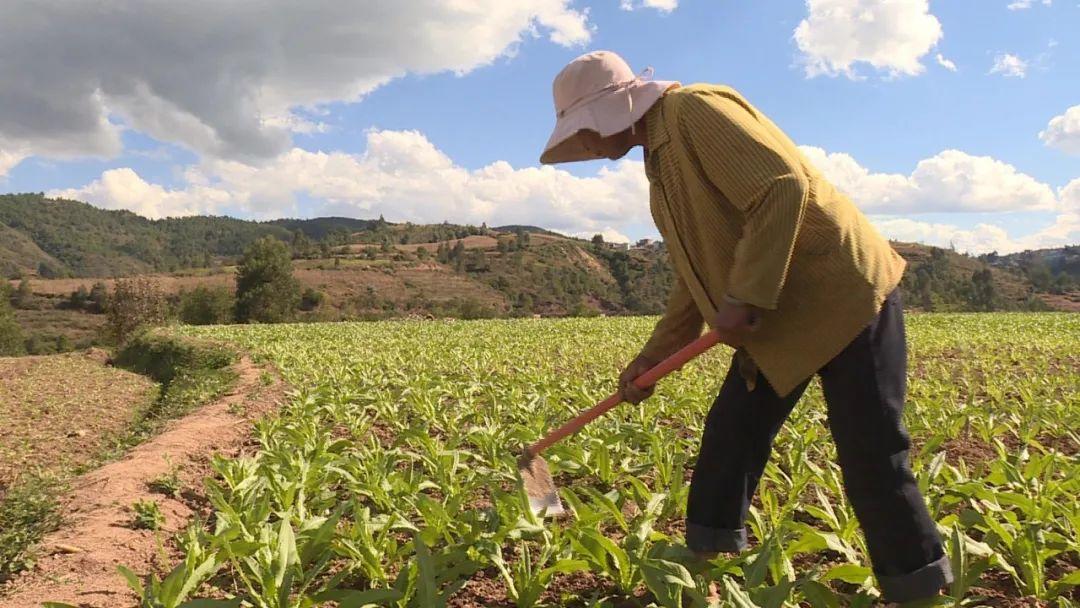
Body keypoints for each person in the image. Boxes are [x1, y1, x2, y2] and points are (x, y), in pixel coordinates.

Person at [539, 50, 952, 604]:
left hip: (843, 297)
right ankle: (701, 564)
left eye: (583, 130)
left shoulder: (694, 110)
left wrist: (747, 293)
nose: (586, 146)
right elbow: (696, 275)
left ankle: (918, 587)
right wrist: (651, 358)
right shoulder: (660, 163)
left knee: (873, 451)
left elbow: (782, 186)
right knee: (731, 435)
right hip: (780, 317)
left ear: (612, 111)